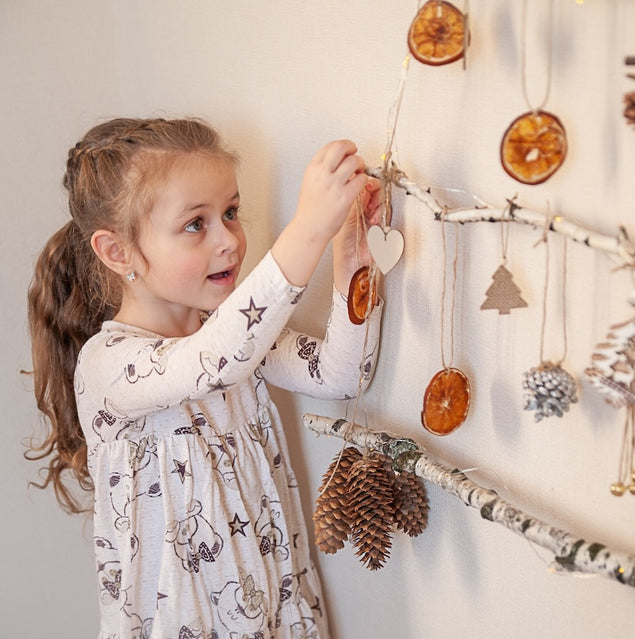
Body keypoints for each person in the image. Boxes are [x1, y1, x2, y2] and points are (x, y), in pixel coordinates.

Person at [26, 117, 383, 639]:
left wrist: (351, 264)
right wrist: (308, 227)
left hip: (275, 612)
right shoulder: (109, 364)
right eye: (197, 223)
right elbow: (213, 361)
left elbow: (342, 375)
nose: (230, 241)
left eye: (231, 213)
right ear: (117, 252)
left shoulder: (232, 336)